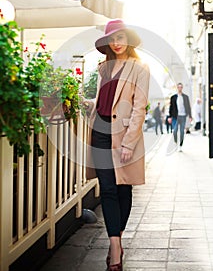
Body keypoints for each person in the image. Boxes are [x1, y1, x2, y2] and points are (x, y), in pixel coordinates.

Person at [84, 19, 150, 271]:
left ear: (128, 40)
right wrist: (86, 104)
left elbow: (139, 108)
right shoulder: (103, 68)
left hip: (123, 136)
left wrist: (129, 143)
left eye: (120, 37)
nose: (116, 43)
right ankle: (114, 249)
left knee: (124, 190)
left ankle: (117, 240)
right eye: (112, 38)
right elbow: (104, 101)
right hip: (100, 134)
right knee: (108, 190)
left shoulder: (140, 68)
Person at [169, 83, 192, 151]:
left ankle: (180, 146)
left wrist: (190, 116)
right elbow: (171, 107)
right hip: (175, 117)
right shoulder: (173, 97)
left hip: (183, 116)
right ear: (177, 88)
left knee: (182, 132)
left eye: (181, 87)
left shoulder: (185, 97)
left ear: (182, 88)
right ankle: (176, 143)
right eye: (178, 87)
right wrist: (170, 117)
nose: (180, 88)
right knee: (175, 131)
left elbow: (188, 106)